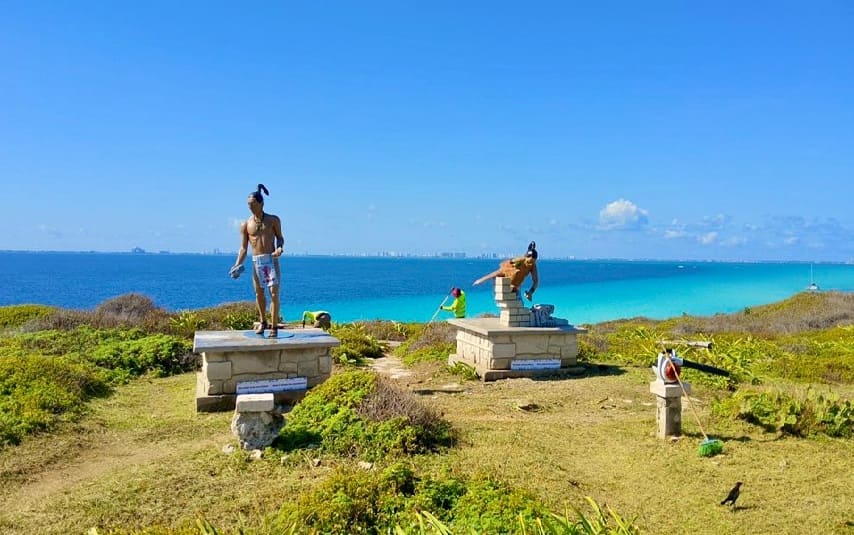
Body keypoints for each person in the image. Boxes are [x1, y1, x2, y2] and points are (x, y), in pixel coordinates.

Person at [231, 184, 285, 338]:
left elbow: (280, 238)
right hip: (257, 262)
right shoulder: (246, 224)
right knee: (259, 293)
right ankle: (263, 321)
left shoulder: (273, 220)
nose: (250, 207)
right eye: (248, 205)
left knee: (274, 293)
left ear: (261, 203)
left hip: (270, 259)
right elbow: (243, 248)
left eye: (253, 204)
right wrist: (237, 264)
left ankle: (274, 326)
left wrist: (279, 248)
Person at [473, 241, 539, 301]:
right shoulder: (519, 261)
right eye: (529, 261)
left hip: (516, 287)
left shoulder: (532, 266)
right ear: (526, 257)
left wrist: (530, 292)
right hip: (508, 284)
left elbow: (535, 281)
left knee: (519, 305)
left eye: (533, 261)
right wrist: (481, 280)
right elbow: (499, 272)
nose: (531, 264)